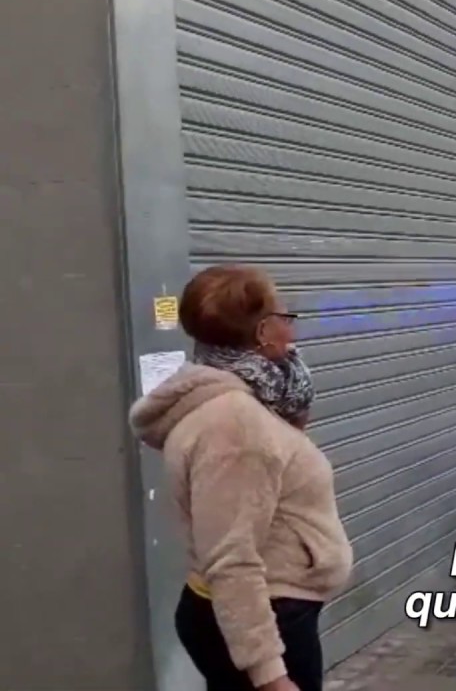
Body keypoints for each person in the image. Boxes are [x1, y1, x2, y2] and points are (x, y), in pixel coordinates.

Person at [129, 265, 352, 691]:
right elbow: (231, 557)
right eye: (285, 317)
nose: (293, 330)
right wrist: (271, 677)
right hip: (263, 620)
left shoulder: (248, 396)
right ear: (264, 330)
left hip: (264, 611)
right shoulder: (234, 423)